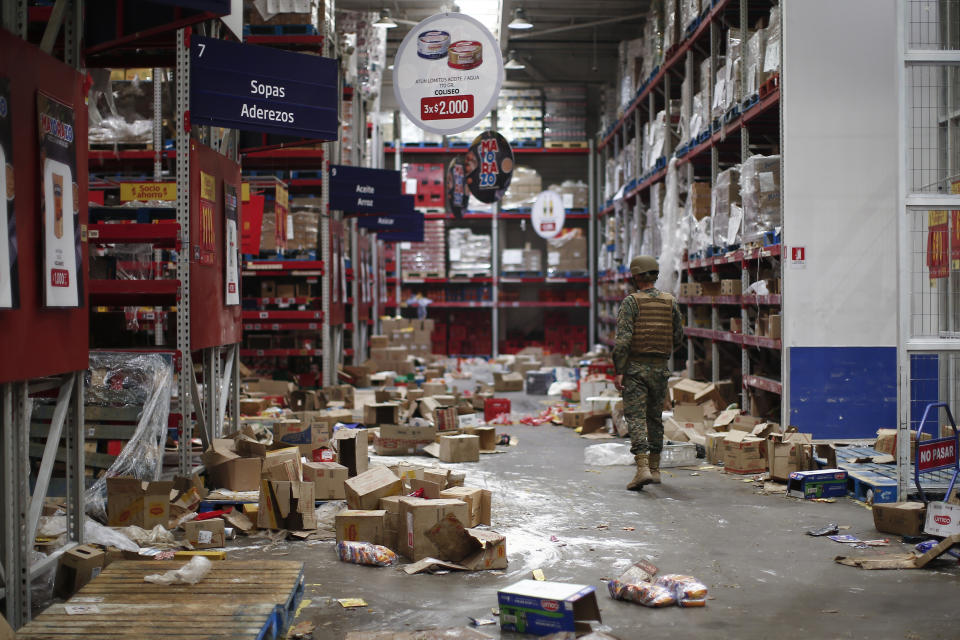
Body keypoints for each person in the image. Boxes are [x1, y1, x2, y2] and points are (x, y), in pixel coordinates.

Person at [613, 256, 683, 491]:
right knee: (655, 418)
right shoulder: (670, 301)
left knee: (635, 418)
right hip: (660, 369)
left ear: (635, 276)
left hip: (635, 369)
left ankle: (641, 468)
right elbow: (678, 336)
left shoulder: (631, 303)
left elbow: (623, 342)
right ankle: (655, 469)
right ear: (655, 275)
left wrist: (619, 370)